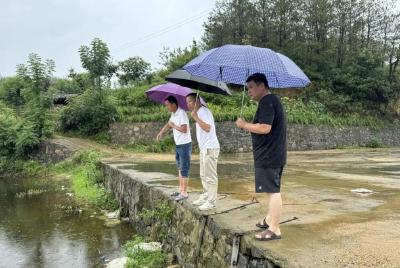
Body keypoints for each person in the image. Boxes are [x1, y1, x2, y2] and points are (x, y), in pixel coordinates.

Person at [235, 73, 287, 241]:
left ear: (262, 86)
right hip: (272, 154)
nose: (248, 91)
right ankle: (269, 219)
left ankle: (274, 229)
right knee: (270, 189)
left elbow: (265, 128)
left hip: (269, 155)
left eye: (251, 87)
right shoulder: (271, 101)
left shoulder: (267, 102)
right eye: (247, 88)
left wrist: (244, 125)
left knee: (273, 191)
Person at [186, 93, 220, 211]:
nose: (188, 104)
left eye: (190, 101)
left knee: (210, 176)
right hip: (204, 148)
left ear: (197, 101)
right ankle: (206, 195)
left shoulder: (204, 112)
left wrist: (195, 117)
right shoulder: (199, 112)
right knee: (204, 174)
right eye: (187, 102)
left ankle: (211, 201)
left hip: (210, 148)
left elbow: (207, 127)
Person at [156, 96, 192, 201]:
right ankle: (181, 190)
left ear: (173, 104)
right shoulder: (173, 114)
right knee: (180, 167)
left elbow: (185, 129)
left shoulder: (182, 114)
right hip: (178, 144)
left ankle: (184, 193)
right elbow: (168, 124)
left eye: (167, 105)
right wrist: (161, 132)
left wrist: (174, 126)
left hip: (185, 145)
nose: (166, 107)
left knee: (184, 168)